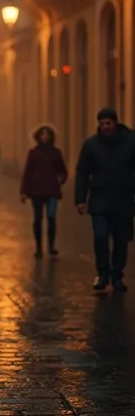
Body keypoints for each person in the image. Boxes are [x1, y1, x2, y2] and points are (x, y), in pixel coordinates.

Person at [75, 107, 135, 292]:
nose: (105, 127)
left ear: (115, 123)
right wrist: (80, 199)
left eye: (108, 123)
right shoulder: (92, 145)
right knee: (100, 237)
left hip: (123, 199)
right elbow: (82, 172)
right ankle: (102, 273)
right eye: (102, 124)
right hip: (100, 199)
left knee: (121, 239)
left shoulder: (131, 142)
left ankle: (117, 275)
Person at [20, 125, 68, 259]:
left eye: (47, 134)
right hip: (37, 191)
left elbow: (62, 170)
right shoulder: (33, 153)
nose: (45, 137)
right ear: (39, 137)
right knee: (38, 219)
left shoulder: (56, 153)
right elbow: (27, 173)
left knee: (52, 218)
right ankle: (39, 248)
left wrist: (61, 178)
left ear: (51, 137)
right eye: (42, 134)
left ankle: (51, 246)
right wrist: (24, 191)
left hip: (52, 190)